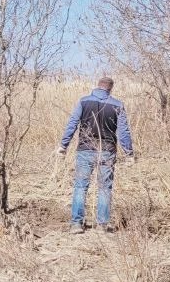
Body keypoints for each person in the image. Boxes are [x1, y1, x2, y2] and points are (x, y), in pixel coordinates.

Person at [57, 76, 134, 234]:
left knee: (80, 186)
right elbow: (123, 131)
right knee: (105, 188)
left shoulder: (83, 101)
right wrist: (129, 153)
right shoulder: (118, 105)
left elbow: (72, 123)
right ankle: (101, 225)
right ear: (110, 89)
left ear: (97, 86)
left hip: (85, 149)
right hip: (107, 151)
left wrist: (63, 145)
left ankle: (76, 224)